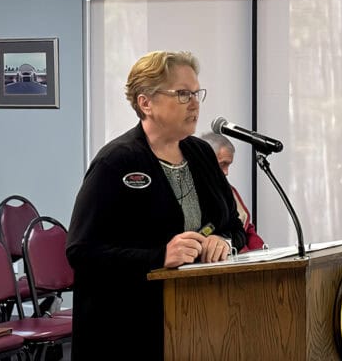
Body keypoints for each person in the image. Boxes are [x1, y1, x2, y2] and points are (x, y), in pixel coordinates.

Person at [66, 50, 246, 360]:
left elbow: (232, 224)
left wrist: (224, 242)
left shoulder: (202, 154)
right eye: (182, 94)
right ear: (145, 102)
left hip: (198, 319)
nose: (194, 102)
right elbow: (81, 251)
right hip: (126, 327)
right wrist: (159, 256)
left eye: (196, 93)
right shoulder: (116, 162)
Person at [201, 132, 266, 253]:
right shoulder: (189, 191)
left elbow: (245, 229)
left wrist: (262, 253)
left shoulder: (228, 190)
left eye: (228, 165)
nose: (226, 172)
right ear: (204, 159)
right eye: (223, 164)